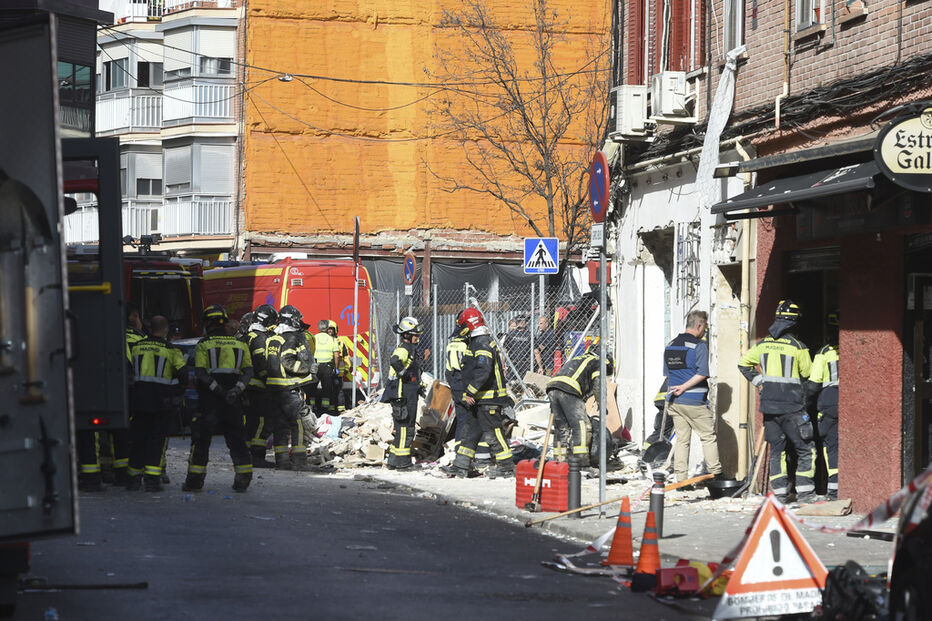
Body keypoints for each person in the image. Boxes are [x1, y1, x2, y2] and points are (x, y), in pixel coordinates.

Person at [739, 300, 816, 504]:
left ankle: (780, 495)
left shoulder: (762, 344)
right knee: (805, 449)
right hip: (793, 408)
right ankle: (805, 494)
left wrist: (760, 383)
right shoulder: (799, 347)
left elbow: (743, 364)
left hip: (769, 408)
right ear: (794, 323)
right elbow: (808, 375)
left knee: (777, 451)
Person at [183, 304, 254, 493]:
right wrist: (236, 390)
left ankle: (195, 481)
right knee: (238, 440)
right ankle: (243, 477)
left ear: (209, 323)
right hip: (234, 402)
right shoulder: (240, 344)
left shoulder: (204, 345)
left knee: (201, 441)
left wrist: (218, 389)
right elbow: (248, 372)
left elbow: (201, 372)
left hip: (209, 402)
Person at [443, 308, 514, 479]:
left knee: (493, 431)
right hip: (480, 398)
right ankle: (461, 465)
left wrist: (470, 392)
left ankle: (506, 466)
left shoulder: (481, 342)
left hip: (488, 398)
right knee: (469, 431)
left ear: (469, 325)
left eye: (462, 326)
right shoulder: (476, 342)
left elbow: (483, 370)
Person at [126, 315, 187, 492]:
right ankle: (152, 481)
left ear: (150, 328)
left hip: (138, 401)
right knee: (155, 442)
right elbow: (183, 375)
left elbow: (129, 371)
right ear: (165, 329)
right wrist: (176, 392)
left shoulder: (137, 347)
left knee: (138, 441)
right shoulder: (171, 349)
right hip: (161, 402)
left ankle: (133, 480)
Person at [664, 310, 724, 486]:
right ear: (699, 326)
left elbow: (668, 373)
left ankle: (681, 480)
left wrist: (679, 386)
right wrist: (684, 387)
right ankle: (716, 475)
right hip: (694, 401)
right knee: (708, 436)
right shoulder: (699, 346)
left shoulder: (671, 345)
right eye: (705, 326)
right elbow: (703, 374)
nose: (705, 330)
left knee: (682, 440)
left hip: (674, 402)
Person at [265, 305, 315, 470]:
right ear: (291, 319)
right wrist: (307, 369)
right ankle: (299, 461)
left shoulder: (273, 338)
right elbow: (287, 361)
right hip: (287, 389)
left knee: (280, 426)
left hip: (273, 389)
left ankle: (282, 462)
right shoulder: (292, 337)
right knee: (299, 423)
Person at [545, 351, 614, 468]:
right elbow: (599, 384)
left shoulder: (582, 358)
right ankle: (581, 463)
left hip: (552, 387)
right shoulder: (598, 363)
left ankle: (559, 462)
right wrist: (601, 404)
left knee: (561, 428)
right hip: (569, 389)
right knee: (582, 426)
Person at [381, 317, 423, 470]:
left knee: (401, 428)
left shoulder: (409, 348)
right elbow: (395, 360)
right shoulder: (404, 348)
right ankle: (403, 463)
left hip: (406, 393)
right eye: (415, 335)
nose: (417, 338)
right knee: (406, 428)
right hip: (403, 394)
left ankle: (393, 461)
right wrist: (404, 375)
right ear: (406, 335)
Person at [809, 309, 840, 500]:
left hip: (829, 402)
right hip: (849, 401)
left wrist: (805, 403)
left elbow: (813, 384)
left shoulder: (824, 352)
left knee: (831, 446)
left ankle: (835, 490)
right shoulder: (855, 349)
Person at [242, 305, 277, 468]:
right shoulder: (259, 338)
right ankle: (257, 456)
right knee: (262, 422)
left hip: (246, 387)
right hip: (258, 388)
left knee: (251, 422)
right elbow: (261, 363)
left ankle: (247, 454)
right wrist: (271, 380)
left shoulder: (246, 336)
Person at [444, 330, 470, 448]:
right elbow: (466, 368)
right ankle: (467, 447)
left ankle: (458, 446)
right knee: (469, 417)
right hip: (463, 382)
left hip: (455, 383)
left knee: (461, 417)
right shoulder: (465, 346)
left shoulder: (450, 345)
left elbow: (448, 370)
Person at [313, 319, 340, 415]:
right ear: (327, 327)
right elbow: (336, 355)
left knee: (312, 388)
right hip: (327, 367)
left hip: (315, 366)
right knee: (327, 389)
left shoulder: (314, 337)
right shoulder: (333, 339)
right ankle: (325, 410)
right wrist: (336, 368)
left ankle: (312, 408)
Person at [643, 379, 674, 447]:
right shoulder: (683, 372)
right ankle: (647, 452)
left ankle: (647, 450)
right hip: (667, 403)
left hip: (662, 402)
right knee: (661, 432)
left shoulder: (674, 371)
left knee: (661, 431)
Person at [503, 315, 532, 380]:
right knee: (522, 382)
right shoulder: (529, 334)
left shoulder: (510, 334)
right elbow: (504, 351)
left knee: (513, 382)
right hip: (522, 363)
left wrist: (502, 364)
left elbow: (504, 351)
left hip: (516, 363)